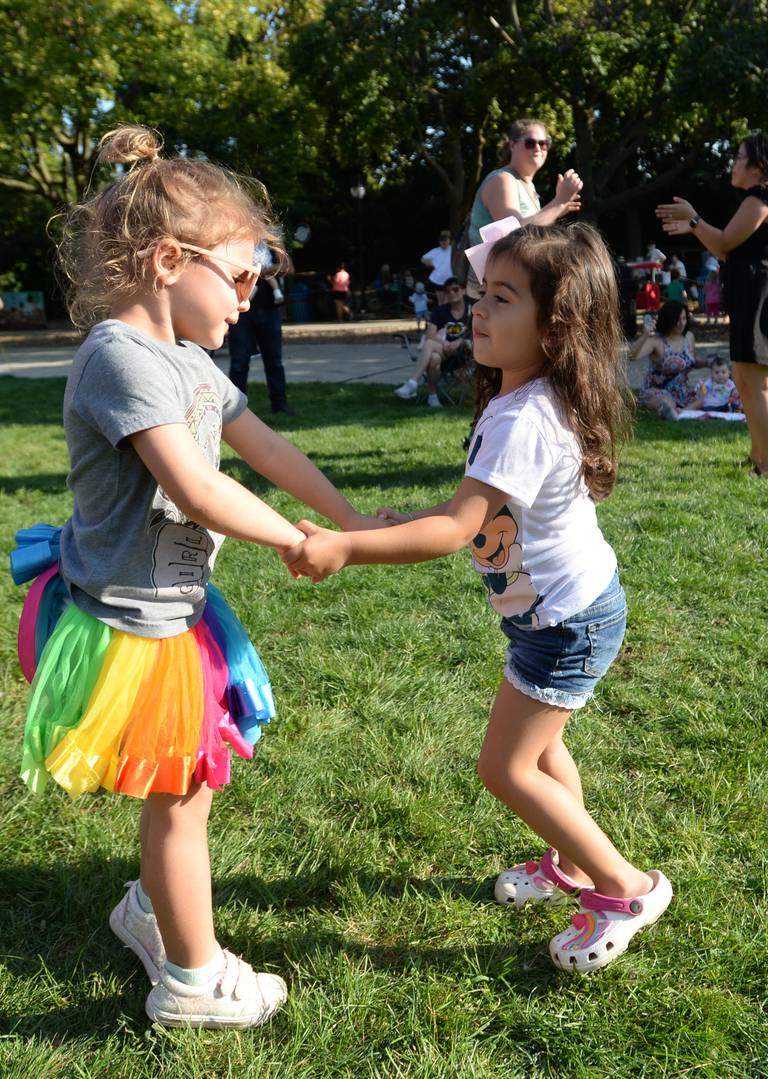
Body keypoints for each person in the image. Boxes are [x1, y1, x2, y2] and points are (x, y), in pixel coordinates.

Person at [10, 124, 382, 1029]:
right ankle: (189, 976)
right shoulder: (118, 357)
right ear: (172, 260)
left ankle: (150, 907)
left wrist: (349, 520)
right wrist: (298, 543)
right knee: (180, 801)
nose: (253, 298)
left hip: (177, 608)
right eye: (244, 275)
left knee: (191, 788)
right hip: (133, 625)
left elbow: (266, 447)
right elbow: (200, 486)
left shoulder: (192, 363)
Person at [284, 220, 673, 974]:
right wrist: (409, 521)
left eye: (500, 298)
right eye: (477, 295)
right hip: (561, 615)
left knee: (506, 767)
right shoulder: (525, 397)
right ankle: (570, 861)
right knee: (543, 749)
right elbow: (479, 513)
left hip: (567, 623)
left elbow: (459, 527)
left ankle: (625, 885)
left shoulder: (524, 415)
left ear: (555, 327)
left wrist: (347, 546)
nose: (477, 312)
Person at [657, 132, 768, 476]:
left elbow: (723, 244)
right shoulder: (767, 198)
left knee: (757, 379)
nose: (732, 163)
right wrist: (695, 228)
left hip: (761, 297)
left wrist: (693, 220)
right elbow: (743, 247)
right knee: (745, 376)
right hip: (756, 294)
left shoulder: (760, 196)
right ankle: (758, 455)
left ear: (758, 165)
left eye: (738, 157)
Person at [465, 118, 583, 299]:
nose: (538, 148)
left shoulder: (529, 187)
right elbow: (513, 233)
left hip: (511, 291)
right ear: (512, 145)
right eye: (530, 143)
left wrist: (558, 207)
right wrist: (558, 203)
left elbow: (532, 238)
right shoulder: (502, 179)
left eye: (544, 143)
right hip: (491, 297)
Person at [227, 242, 294, 415]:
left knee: (274, 362)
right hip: (242, 312)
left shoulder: (273, 243)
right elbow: (231, 270)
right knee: (239, 363)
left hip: (269, 310)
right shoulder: (237, 242)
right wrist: (268, 270)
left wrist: (261, 270)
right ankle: (235, 410)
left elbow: (288, 268)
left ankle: (280, 405)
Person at [394, 277, 471, 408]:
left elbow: (477, 333)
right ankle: (433, 397)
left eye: (455, 289)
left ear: (463, 290)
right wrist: (444, 343)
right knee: (434, 358)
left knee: (429, 345)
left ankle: (413, 383)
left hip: (464, 354)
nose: (451, 293)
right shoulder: (440, 311)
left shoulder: (472, 311)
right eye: (447, 291)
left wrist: (459, 341)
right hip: (444, 353)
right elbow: (430, 334)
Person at [629, 300, 705, 419]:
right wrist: (645, 335)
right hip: (657, 390)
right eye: (677, 320)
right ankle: (672, 411)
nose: (681, 323)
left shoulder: (689, 337)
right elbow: (632, 356)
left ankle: (680, 413)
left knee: (704, 399)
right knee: (667, 402)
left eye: (684, 319)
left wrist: (708, 363)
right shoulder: (656, 341)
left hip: (682, 390)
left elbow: (691, 361)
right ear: (668, 320)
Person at [420, 231, 454, 306]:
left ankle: (445, 316)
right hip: (438, 279)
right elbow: (423, 259)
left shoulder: (453, 250)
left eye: (445, 240)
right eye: (442, 241)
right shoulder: (435, 251)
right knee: (440, 301)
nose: (444, 242)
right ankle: (441, 316)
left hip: (450, 279)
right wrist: (433, 264)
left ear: (449, 240)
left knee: (447, 300)